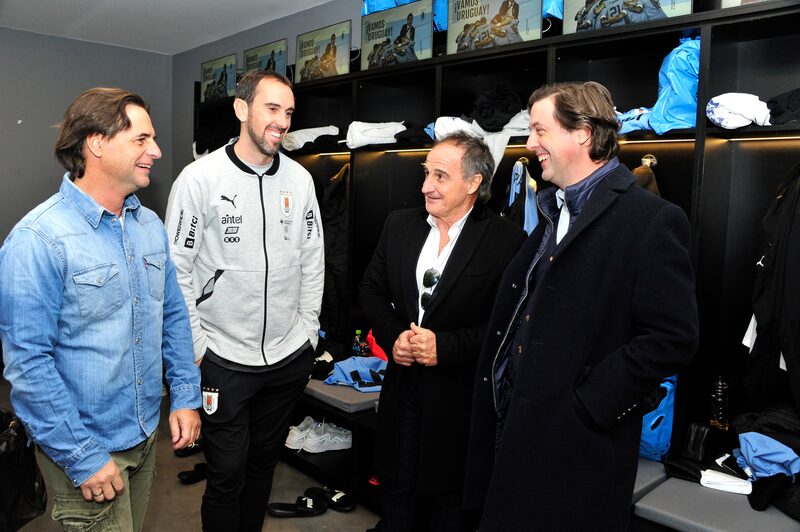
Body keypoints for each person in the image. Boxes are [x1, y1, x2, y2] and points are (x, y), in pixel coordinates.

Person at [463, 81, 699, 530]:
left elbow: (673, 337)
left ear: (583, 134)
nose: (529, 144)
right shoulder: (552, 211)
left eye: (539, 131)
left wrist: (590, 404)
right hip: (513, 434)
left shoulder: (650, 220)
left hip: (575, 449)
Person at [0, 87, 201, 531]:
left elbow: (171, 314)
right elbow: (29, 367)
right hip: (87, 445)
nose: (157, 151)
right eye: (141, 139)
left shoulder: (149, 225)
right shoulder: (38, 238)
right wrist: (82, 457)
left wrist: (185, 394)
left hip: (147, 434)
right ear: (95, 142)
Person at [165, 69, 324, 531]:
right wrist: (197, 349)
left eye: (289, 112)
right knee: (227, 472)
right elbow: (177, 272)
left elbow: (314, 259)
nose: (282, 122)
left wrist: (308, 331)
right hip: (224, 356)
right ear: (242, 109)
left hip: (286, 355)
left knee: (262, 466)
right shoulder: (199, 180)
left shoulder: (299, 180)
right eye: (272, 109)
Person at [360, 133, 526, 532]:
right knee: (398, 497)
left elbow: (509, 325)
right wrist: (394, 335)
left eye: (440, 176)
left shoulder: (506, 241)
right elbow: (371, 291)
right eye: (426, 173)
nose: (425, 186)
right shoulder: (400, 225)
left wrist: (447, 347)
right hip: (403, 388)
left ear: (473, 183)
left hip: (461, 398)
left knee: (448, 507)